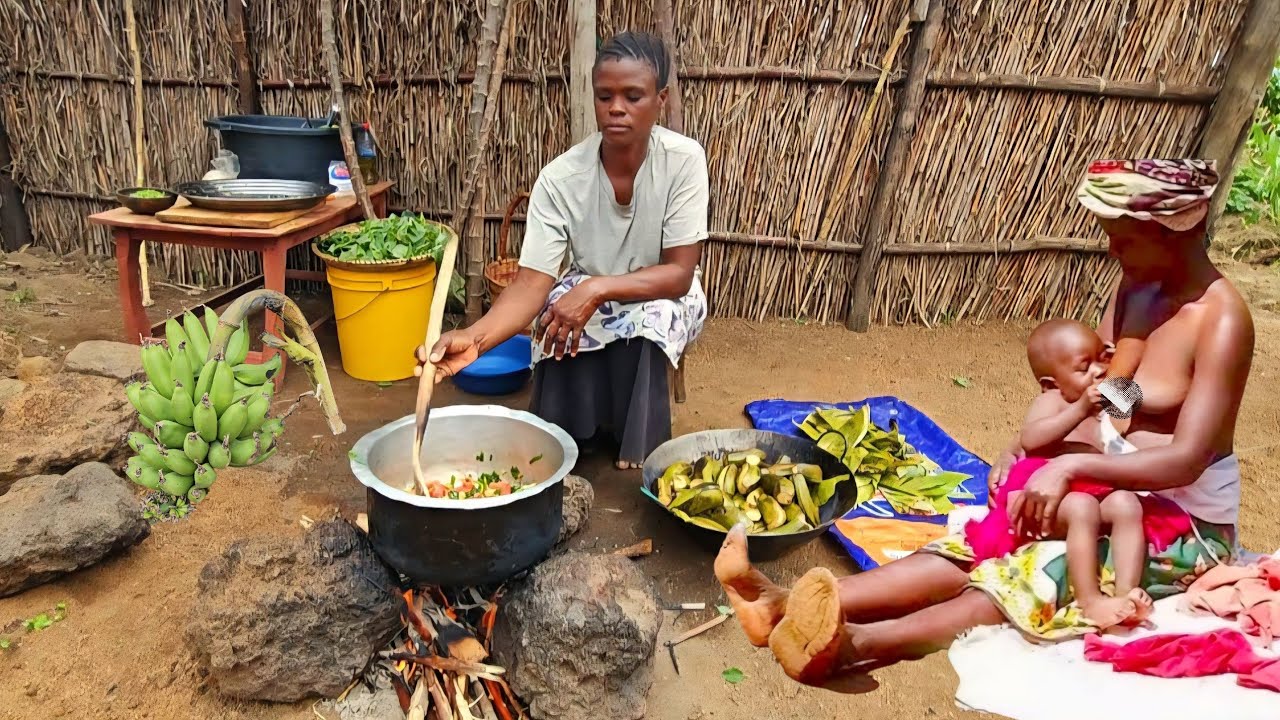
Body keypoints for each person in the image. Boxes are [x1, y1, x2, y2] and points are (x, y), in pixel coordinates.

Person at [714, 158, 1253, 685]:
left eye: (1125, 238)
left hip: (1180, 519)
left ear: (1179, 230)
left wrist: (1071, 470)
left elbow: (1187, 458)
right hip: (1105, 482)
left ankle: (858, 645)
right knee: (982, 540)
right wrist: (1028, 456)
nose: (1112, 250)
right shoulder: (1138, 287)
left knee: (1039, 569)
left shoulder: (1222, 320)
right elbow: (1108, 397)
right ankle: (781, 604)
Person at [415, 31, 709, 470]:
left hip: (659, 290)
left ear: (661, 99)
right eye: (605, 95)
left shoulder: (683, 160)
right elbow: (532, 282)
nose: (616, 108)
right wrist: (476, 340)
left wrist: (596, 288)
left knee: (655, 316)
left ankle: (639, 441)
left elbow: (679, 274)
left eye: (633, 96)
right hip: (590, 284)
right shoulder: (561, 178)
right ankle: (570, 431)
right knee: (554, 307)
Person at [964, 318, 1193, 630]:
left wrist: (1115, 374)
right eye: (1084, 367)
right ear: (1050, 382)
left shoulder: (1107, 404)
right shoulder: (1052, 400)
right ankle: (1089, 599)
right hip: (1044, 492)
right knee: (1082, 510)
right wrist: (1079, 409)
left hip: (1088, 485)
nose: (1098, 372)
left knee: (1127, 504)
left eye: (1102, 358)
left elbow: (1154, 402)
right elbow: (1032, 438)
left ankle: (1126, 592)